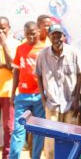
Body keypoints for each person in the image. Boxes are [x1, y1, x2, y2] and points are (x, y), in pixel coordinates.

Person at [35, 24, 81, 159]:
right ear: (49, 37)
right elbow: (38, 75)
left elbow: (79, 75)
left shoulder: (73, 52)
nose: (57, 39)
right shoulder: (43, 54)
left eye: (59, 35)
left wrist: (77, 99)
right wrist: (43, 99)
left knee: (69, 137)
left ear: (64, 36)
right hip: (51, 103)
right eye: (53, 36)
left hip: (70, 102)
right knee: (50, 140)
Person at [10, 21, 45, 159]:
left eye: (33, 33)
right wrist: (13, 93)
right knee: (18, 130)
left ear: (38, 31)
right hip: (23, 96)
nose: (30, 36)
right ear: (24, 33)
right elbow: (16, 72)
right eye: (27, 33)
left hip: (39, 96)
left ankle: (35, 157)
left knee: (38, 131)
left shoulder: (44, 49)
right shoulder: (20, 48)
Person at [0, 16, 19, 159]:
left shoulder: (15, 43)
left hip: (8, 91)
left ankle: (6, 156)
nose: (0, 31)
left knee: (9, 127)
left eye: (3, 28)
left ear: (9, 28)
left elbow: (11, 65)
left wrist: (4, 43)